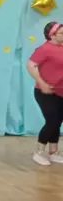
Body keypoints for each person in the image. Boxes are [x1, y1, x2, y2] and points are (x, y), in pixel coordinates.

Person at [26, 21, 63, 165]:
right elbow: (31, 65)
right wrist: (42, 83)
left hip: (60, 91)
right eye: (61, 33)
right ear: (52, 35)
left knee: (58, 120)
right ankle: (39, 151)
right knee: (52, 120)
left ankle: (53, 152)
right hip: (45, 92)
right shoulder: (44, 49)